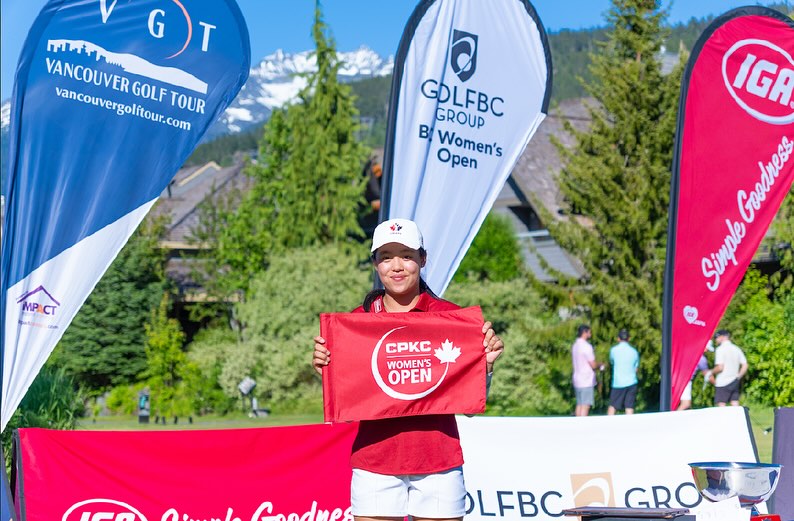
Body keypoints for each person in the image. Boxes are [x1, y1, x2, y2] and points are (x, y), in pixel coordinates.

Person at [312, 218, 504, 521]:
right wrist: (325, 369)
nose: (397, 266)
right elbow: (348, 405)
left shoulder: (452, 319)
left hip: (439, 462)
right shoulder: (356, 323)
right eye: (386, 257)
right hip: (375, 462)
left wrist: (486, 366)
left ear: (422, 259)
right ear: (375, 264)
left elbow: (468, 407)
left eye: (407, 255)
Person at [709, 329, 748, 407]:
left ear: (722, 337)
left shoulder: (720, 349)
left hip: (722, 381)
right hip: (734, 380)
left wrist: (710, 372)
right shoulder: (736, 348)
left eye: (716, 337)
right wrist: (738, 376)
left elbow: (720, 367)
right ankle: (738, 419)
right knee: (735, 404)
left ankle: (723, 420)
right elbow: (745, 365)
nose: (716, 340)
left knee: (722, 406)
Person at [571, 324, 603, 417]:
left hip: (577, 379)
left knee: (579, 404)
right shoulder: (586, 346)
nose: (591, 334)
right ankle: (583, 426)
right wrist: (600, 365)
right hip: (586, 379)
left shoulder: (575, 345)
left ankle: (577, 424)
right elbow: (592, 364)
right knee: (585, 405)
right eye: (589, 332)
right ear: (585, 332)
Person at [607, 329, 639, 415]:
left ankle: (607, 425)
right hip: (631, 382)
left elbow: (612, 361)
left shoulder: (613, 350)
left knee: (613, 406)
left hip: (618, 383)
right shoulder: (634, 352)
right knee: (629, 406)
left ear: (618, 338)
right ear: (628, 339)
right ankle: (629, 426)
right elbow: (636, 368)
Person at [677, 342, 712, 411]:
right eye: (707, 349)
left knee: (687, 406)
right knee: (686, 404)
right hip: (685, 380)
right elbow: (707, 374)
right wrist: (717, 384)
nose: (707, 351)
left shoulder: (690, 352)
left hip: (678, 379)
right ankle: (673, 419)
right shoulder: (701, 358)